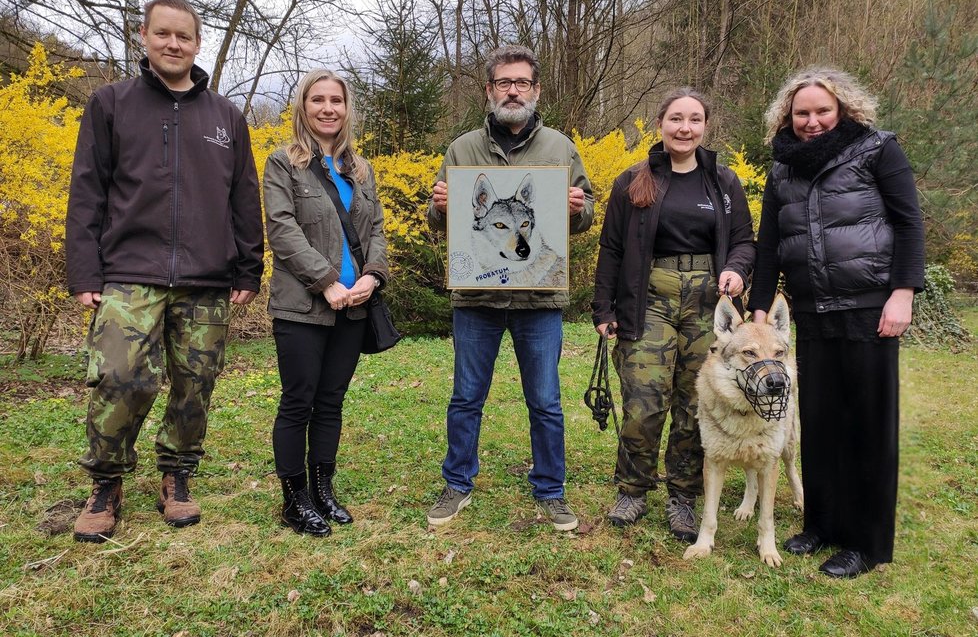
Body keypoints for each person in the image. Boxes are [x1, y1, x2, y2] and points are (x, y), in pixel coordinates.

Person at [66, 0, 264, 542]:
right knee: (119, 376)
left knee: (195, 383)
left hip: (206, 276)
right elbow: (87, 190)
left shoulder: (225, 116)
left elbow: (243, 198)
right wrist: (84, 271)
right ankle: (107, 482)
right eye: (163, 35)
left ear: (198, 43)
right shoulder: (111, 104)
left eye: (184, 36)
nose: (174, 44)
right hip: (129, 269)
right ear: (144, 37)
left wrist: (249, 268)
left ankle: (176, 476)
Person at [748, 67, 925, 578]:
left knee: (866, 424)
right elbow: (768, 245)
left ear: (843, 109)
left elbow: (909, 221)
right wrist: (761, 306)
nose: (812, 121)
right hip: (811, 310)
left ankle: (864, 542)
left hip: (870, 306)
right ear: (788, 116)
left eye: (822, 110)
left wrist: (903, 293)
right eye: (801, 113)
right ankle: (821, 524)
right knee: (820, 421)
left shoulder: (877, 149)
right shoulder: (783, 169)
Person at [425, 45, 594, 531]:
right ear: (490, 90)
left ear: (536, 90)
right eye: (504, 83)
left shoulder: (560, 148)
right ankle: (457, 483)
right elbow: (443, 221)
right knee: (465, 398)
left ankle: (551, 490)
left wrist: (577, 207)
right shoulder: (462, 149)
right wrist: (438, 205)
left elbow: (585, 217)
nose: (513, 90)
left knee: (545, 400)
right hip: (476, 299)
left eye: (522, 83)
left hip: (539, 299)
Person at [591, 88, 755, 541]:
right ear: (660, 123)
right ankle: (633, 489)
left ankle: (684, 496)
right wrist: (603, 308)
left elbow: (744, 240)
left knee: (695, 402)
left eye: (695, 120)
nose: (685, 128)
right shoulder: (632, 181)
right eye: (676, 119)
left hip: (708, 304)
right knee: (643, 400)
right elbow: (611, 249)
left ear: (705, 126)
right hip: (649, 300)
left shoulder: (723, 183)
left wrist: (737, 271)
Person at [263, 69, 390, 537]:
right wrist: (326, 281)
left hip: (354, 305)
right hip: (303, 305)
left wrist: (373, 277)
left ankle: (323, 489)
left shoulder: (361, 169)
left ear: (347, 108)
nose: (328, 108)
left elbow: (375, 229)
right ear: (303, 107)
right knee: (299, 401)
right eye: (318, 100)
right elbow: (282, 229)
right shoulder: (284, 163)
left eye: (336, 100)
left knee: (331, 402)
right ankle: (294, 499)